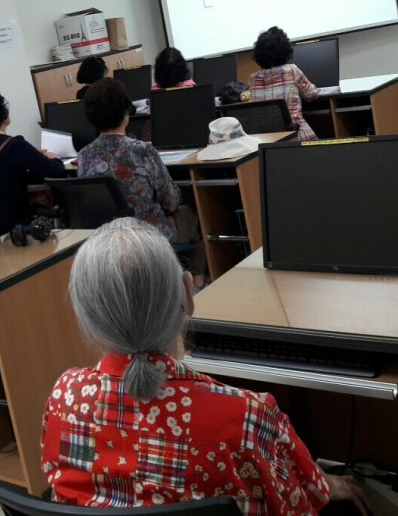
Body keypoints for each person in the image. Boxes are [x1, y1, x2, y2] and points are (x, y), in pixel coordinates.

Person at [42, 218, 368, 515]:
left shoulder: (64, 397)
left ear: (85, 315)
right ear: (188, 292)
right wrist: (323, 483)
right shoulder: (246, 417)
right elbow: (297, 506)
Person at [79, 79, 206, 289]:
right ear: (125, 112)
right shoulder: (142, 150)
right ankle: (198, 285)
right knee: (189, 214)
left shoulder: (84, 156)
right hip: (148, 235)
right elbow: (170, 200)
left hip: (109, 239)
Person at [0, 87, 66, 235]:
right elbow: (55, 171)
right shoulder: (15, 145)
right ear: (2, 112)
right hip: (18, 226)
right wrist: (54, 157)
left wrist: (32, 154)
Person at [248, 26, 320, 140]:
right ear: (285, 51)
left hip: (266, 140)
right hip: (294, 137)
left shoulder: (253, 79)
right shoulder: (291, 70)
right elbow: (310, 95)